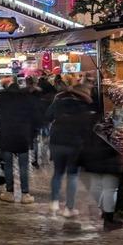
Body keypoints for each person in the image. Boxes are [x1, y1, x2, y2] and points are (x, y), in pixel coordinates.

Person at [45, 85, 96, 217]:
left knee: (57, 173)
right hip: (74, 144)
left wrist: (58, 98)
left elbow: (47, 116)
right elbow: (90, 120)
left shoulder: (58, 103)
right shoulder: (83, 106)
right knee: (72, 175)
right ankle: (69, 208)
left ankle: (54, 202)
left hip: (57, 141)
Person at [0, 80, 39, 204]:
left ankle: (9, 192)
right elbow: (35, 115)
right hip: (23, 135)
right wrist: (32, 130)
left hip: (7, 133)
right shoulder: (26, 97)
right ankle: (25, 194)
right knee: (23, 166)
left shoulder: (3, 96)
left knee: (8, 165)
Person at [80, 127, 123, 231]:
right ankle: (108, 220)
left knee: (97, 186)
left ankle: (105, 212)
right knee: (110, 189)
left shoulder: (90, 123)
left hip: (93, 159)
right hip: (108, 161)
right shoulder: (107, 127)